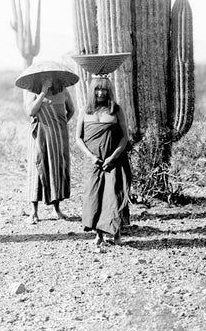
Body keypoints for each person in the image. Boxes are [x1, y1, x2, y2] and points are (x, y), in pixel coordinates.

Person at [76, 76, 131, 252]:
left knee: (113, 195)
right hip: (93, 161)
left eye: (104, 89)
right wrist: (91, 157)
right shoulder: (85, 111)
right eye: (97, 89)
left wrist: (113, 157)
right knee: (94, 196)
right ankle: (98, 234)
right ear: (92, 91)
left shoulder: (116, 110)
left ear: (109, 91)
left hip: (114, 161)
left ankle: (116, 234)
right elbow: (78, 138)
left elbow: (124, 137)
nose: (101, 92)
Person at [24, 75, 75, 224]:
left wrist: (60, 124)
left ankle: (56, 209)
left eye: (51, 75)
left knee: (56, 169)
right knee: (37, 168)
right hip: (39, 135)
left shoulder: (63, 91)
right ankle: (34, 212)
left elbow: (71, 110)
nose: (48, 78)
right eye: (44, 77)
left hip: (58, 137)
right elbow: (31, 112)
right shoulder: (32, 91)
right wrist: (42, 93)